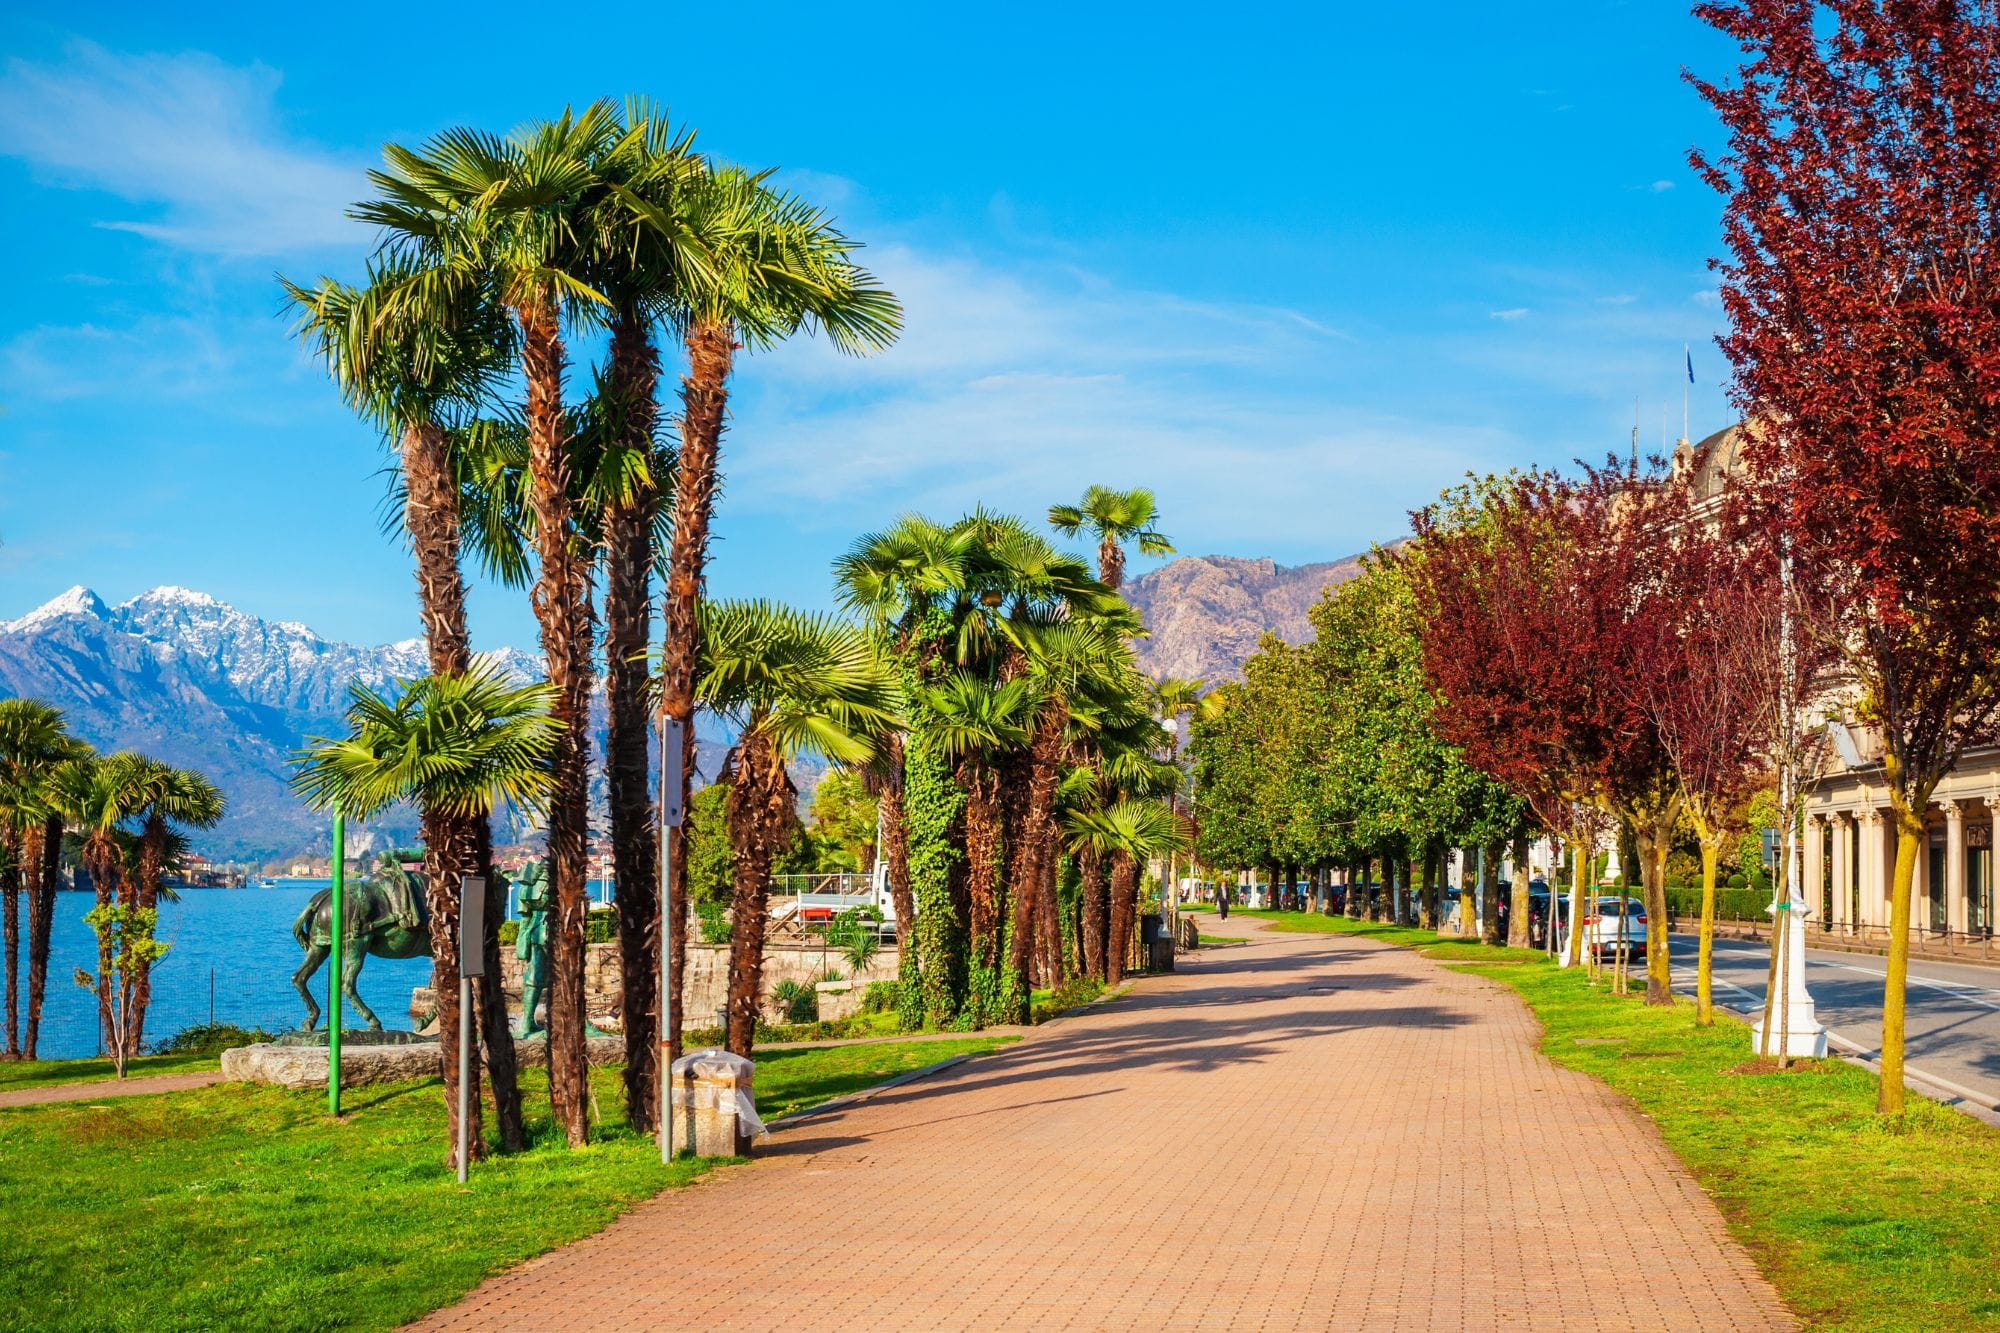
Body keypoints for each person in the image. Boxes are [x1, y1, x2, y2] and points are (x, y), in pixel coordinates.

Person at [513, 860, 551, 1037]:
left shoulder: (527, 888)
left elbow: (525, 918)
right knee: (570, 976)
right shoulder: (552, 882)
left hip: (535, 933)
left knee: (533, 979)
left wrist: (522, 941)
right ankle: (581, 1023)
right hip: (553, 931)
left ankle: (526, 1025)